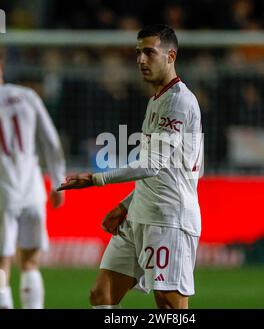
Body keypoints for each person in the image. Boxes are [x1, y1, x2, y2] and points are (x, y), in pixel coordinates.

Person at [58, 24, 204, 309]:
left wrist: (96, 179)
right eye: (138, 53)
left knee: (169, 304)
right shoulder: (156, 100)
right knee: (102, 296)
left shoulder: (179, 102)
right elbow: (160, 169)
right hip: (139, 215)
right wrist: (127, 205)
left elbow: (152, 165)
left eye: (149, 52)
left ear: (171, 56)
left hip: (168, 218)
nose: (140, 60)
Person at [0, 55, 66, 309]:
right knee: (30, 262)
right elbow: (51, 141)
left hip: (3, 193)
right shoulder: (27, 96)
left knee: (2, 264)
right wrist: (57, 181)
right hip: (32, 191)